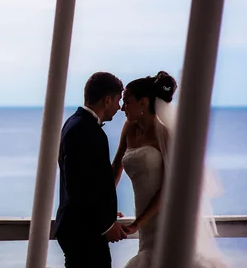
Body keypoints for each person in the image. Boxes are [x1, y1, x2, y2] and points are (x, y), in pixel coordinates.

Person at [112, 71, 227, 268]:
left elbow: (169, 188)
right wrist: (107, 207)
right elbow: (115, 169)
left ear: (143, 102)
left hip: (165, 217)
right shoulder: (129, 127)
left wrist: (137, 223)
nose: (123, 107)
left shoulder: (165, 133)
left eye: (127, 101)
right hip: (144, 218)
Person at [54, 72, 129, 268]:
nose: (119, 107)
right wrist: (106, 225)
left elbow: (92, 181)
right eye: (117, 100)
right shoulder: (85, 129)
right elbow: (78, 187)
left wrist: (108, 210)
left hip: (79, 228)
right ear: (107, 100)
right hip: (83, 232)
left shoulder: (74, 123)